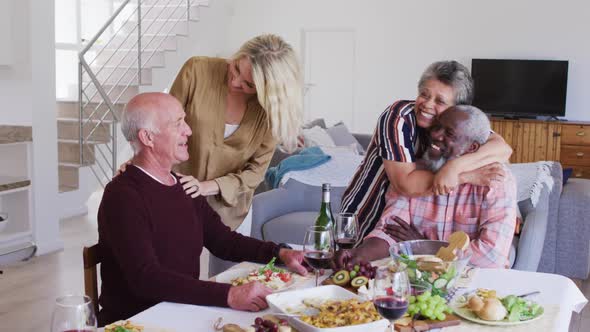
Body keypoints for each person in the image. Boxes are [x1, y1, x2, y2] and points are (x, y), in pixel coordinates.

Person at [97, 93, 307, 326]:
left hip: (182, 310)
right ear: (147, 137)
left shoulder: (183, 185)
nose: (188, 130)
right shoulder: (122, 196)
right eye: (178, 124)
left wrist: (281, 253)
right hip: (138, 322)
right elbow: (146, 278)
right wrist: (228, 295)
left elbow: (223, 241)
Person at [339, 61, 512, 241]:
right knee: (349, 265)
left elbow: (502, 148)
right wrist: (464, 176)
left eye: (440, 101)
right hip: (365, 212)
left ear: (457, 109)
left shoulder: (457, 126)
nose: (427, 105)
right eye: (424, 94)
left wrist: (453, 167)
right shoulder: (398, 117)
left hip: (403, 223)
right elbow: (405, 184)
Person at [336, 105, 517, 268]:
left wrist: (423, 246)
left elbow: (492, 256)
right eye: (437, 126)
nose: (436, 135)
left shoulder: (496, 181)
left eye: (450, 134)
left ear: (472, 148)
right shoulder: (414, 173)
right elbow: (390, 231)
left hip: (479, 284)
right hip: (419, 279)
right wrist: (357, 254)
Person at [168, 34, 303, 232]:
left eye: (249, 85)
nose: (235, 82)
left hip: (228, 216)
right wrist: (141, 162)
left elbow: (255, 173)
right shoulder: (197, 70)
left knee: (233, 264)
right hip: (175, 201)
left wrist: (206, 186)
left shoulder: (271, 114)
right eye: (236, 68)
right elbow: (164, 123)